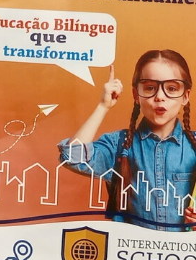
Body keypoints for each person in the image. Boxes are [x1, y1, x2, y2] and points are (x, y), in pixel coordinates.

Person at [60, 50, 196, 231]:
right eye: (150, 88)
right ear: (136, 95)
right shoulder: (119, 145)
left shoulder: (193, 147)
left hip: (182, 249)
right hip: (129, 248)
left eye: (171, 88)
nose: (160, 96)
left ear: (185, 96)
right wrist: (103, 106)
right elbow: (72, 157)